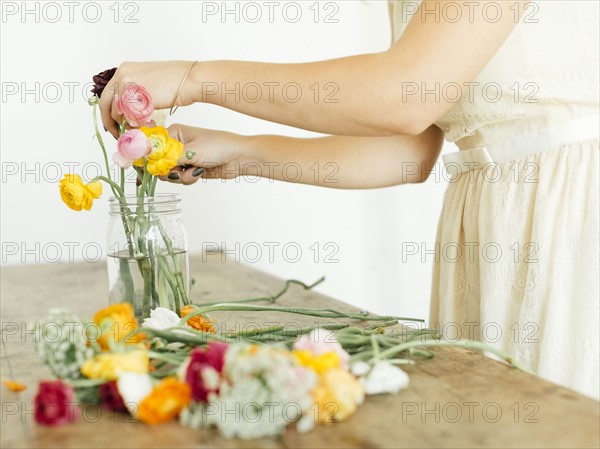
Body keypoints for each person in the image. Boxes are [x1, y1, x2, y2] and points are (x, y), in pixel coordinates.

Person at [98, 0, 599, 399]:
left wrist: (195, 77)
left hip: (571, 214)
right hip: (493, 224)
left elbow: (404, 95)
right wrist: (242, 153)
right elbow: (408, 148)